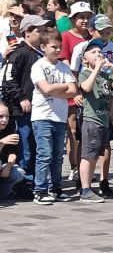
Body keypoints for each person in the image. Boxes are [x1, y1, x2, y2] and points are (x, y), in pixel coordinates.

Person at [31, 31, 77, 205]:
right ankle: (40, 190)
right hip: (42, 116)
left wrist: (58, 87)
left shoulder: (64, 67)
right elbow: (46, 89)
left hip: (59, 116)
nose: (58, 50)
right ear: (43, 47)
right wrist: (63, 88)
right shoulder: (38, 66)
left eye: (60, 46)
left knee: (58, 155)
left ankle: (56, 188)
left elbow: (73, 91)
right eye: (53, 47)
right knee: (44, 153)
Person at [1, 15, 48, 186]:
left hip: (40, 108)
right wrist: (21, 98)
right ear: (27, 32)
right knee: (25, 146)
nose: (42, 34)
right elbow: (7, 79)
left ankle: (37, 179)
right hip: (22, 110)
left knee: (37, 146)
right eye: (38, 31)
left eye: (44, 31)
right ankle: (25, 182)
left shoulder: (41, 53)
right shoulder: (19, 52)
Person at [77, 40, 113, 203]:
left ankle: (88, 187)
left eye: (99, 52)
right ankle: (85, 189)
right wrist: (97, 68)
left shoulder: (105, 74)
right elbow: (87, 88)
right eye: (93, 52)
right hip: (91, 119)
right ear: (84, 59)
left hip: (103, 120)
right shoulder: (84, 73)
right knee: (88, 156)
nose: (98, 54)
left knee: (95, 156)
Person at [60, 1, 93, 183]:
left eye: (88, 17)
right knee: (73, 130)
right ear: (73, 19)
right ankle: (74, 166)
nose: (85, 21)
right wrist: (75, 89)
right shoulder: (66, 37)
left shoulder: (91, 37)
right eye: (81, 17)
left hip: (92, 90)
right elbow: (64, 64)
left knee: (87, 131)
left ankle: (86, 166)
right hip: (74, 90)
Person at [0, 102, 24, 199]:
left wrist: (8, 167)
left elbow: (13, 153)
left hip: (3, 167)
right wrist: (2, 142)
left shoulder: (9, 130)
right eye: (1, 116)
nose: (4, 120)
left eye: (7, 116)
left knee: (19, 173)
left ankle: (3, 193)